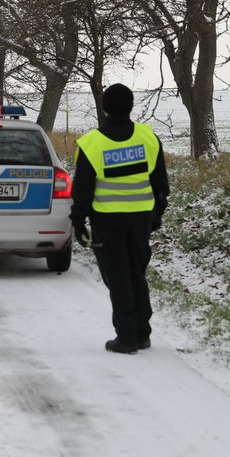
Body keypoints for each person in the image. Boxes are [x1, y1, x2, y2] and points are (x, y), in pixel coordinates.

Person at [70, 83, 169, 354]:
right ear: (131, 105)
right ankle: (142, 333)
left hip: (108, 221)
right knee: (137, 273)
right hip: (140, 220)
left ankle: (126, 338)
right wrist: (157, 212)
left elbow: (83, 189)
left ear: (103, 108)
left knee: (118, 277)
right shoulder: (147, 138)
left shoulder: (92, 144)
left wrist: (78, 221)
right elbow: (160, 181)